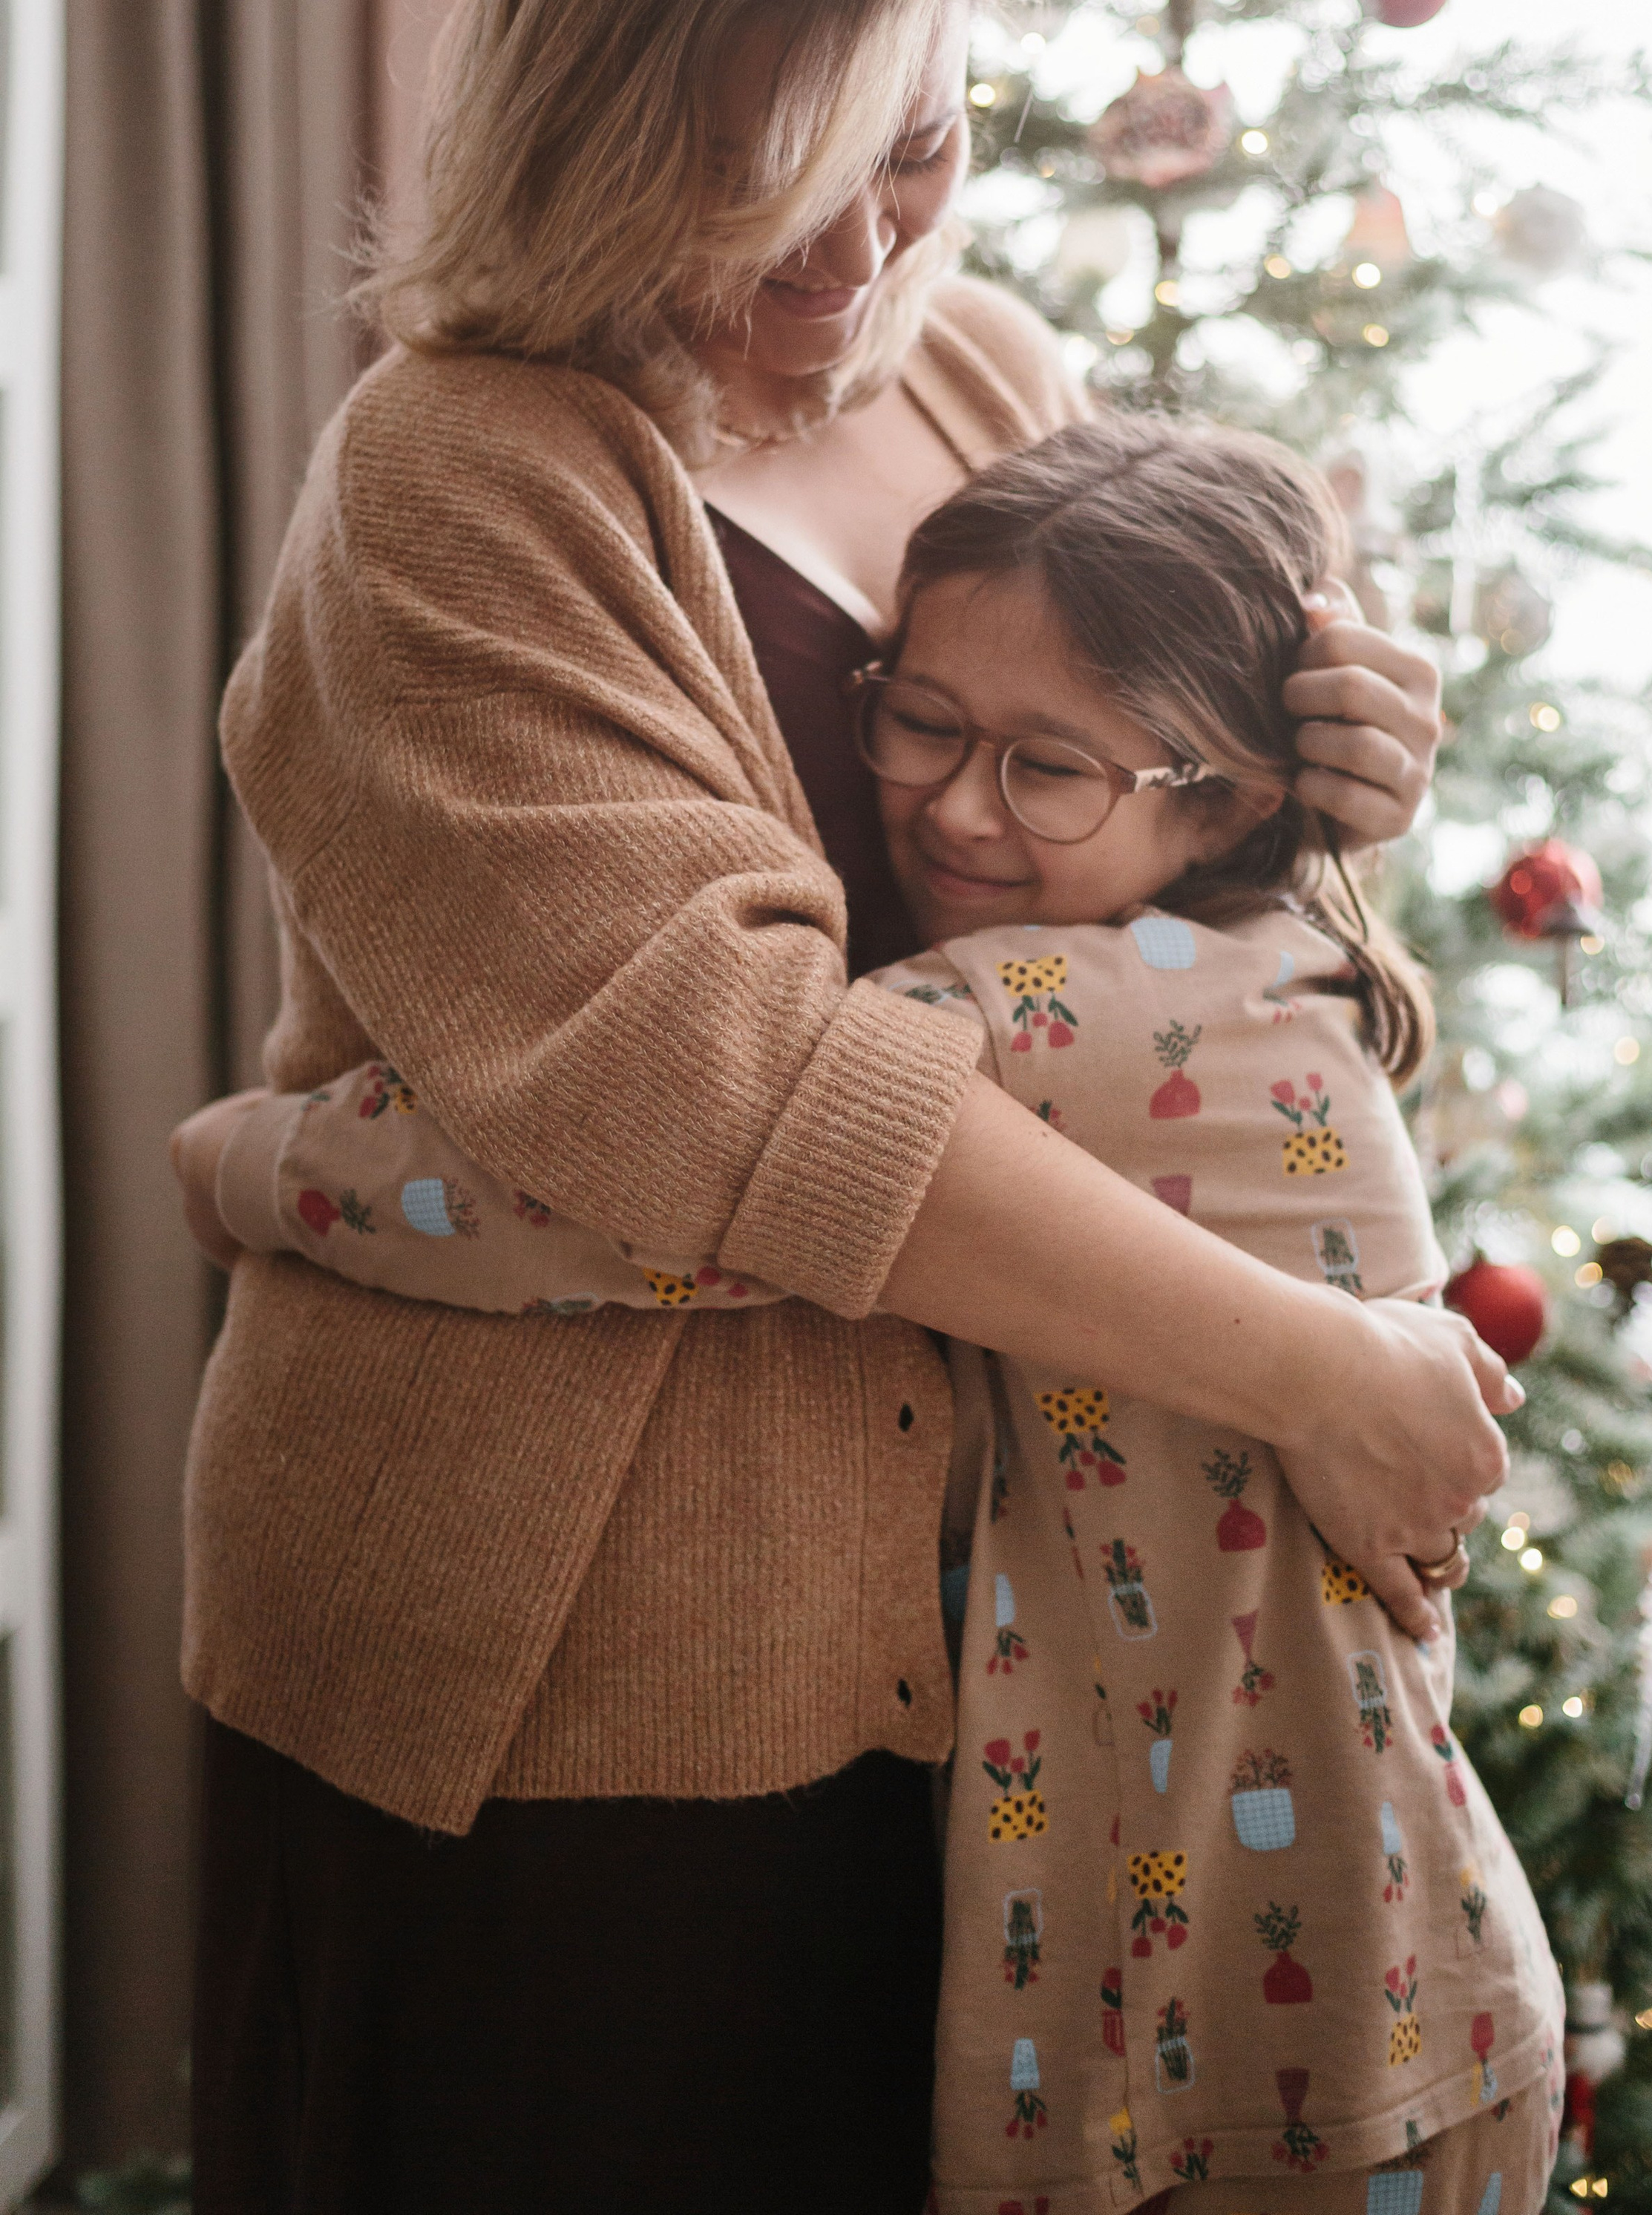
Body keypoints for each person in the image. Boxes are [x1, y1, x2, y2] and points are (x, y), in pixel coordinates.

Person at [171, 0, 1515, 2214]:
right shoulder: (462, 478)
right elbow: (731, 1096)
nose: (864, 262)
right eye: (769, 172)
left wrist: (1316, 770)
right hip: (567, 1696)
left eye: (920, 154)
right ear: (593, 108)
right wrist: (1323, 1373)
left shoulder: (982, 367)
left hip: (999, 1657)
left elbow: (1143, 874)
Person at [197, 414, 1562, 2213]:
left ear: (1222, 800)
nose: (953, 807)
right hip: (1343, 1984)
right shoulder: (1248, 957)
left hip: (1282, 2038)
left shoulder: (1064, 1016)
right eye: (918, 721)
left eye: (1049, 767)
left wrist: (243, 1157)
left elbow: (596, 1183)